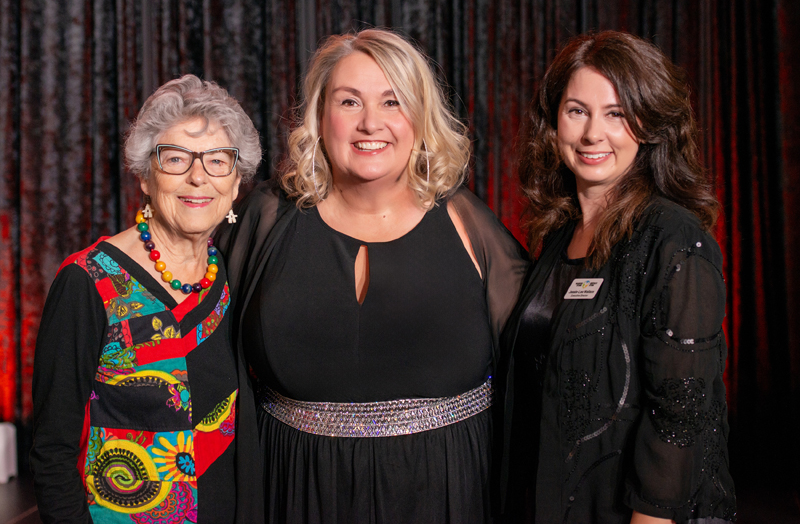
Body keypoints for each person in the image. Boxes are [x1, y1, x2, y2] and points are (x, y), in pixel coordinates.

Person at [215, 28, 529, 523]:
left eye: (391, 102)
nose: (370, 124)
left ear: (421, 118)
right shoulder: (266, 217)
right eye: (348, 102)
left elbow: (539, 370)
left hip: (448, 495)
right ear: (320, 116)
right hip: (293, 492)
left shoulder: (471, 227)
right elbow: (197, 340)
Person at [500, 31, 736, 523]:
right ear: (554, 122)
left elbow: (681, 416)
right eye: (577, 110)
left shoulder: (673, 240)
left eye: (616, 113)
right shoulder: (561, 236)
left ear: (649, 124)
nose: (592, 134)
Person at [31, 75, 261, 523]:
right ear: (144, 176)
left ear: (236, 184)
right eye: (176, 159)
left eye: (218, 161)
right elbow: (51, 451)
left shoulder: (239, 275)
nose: (198, 177)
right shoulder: (88, 282)